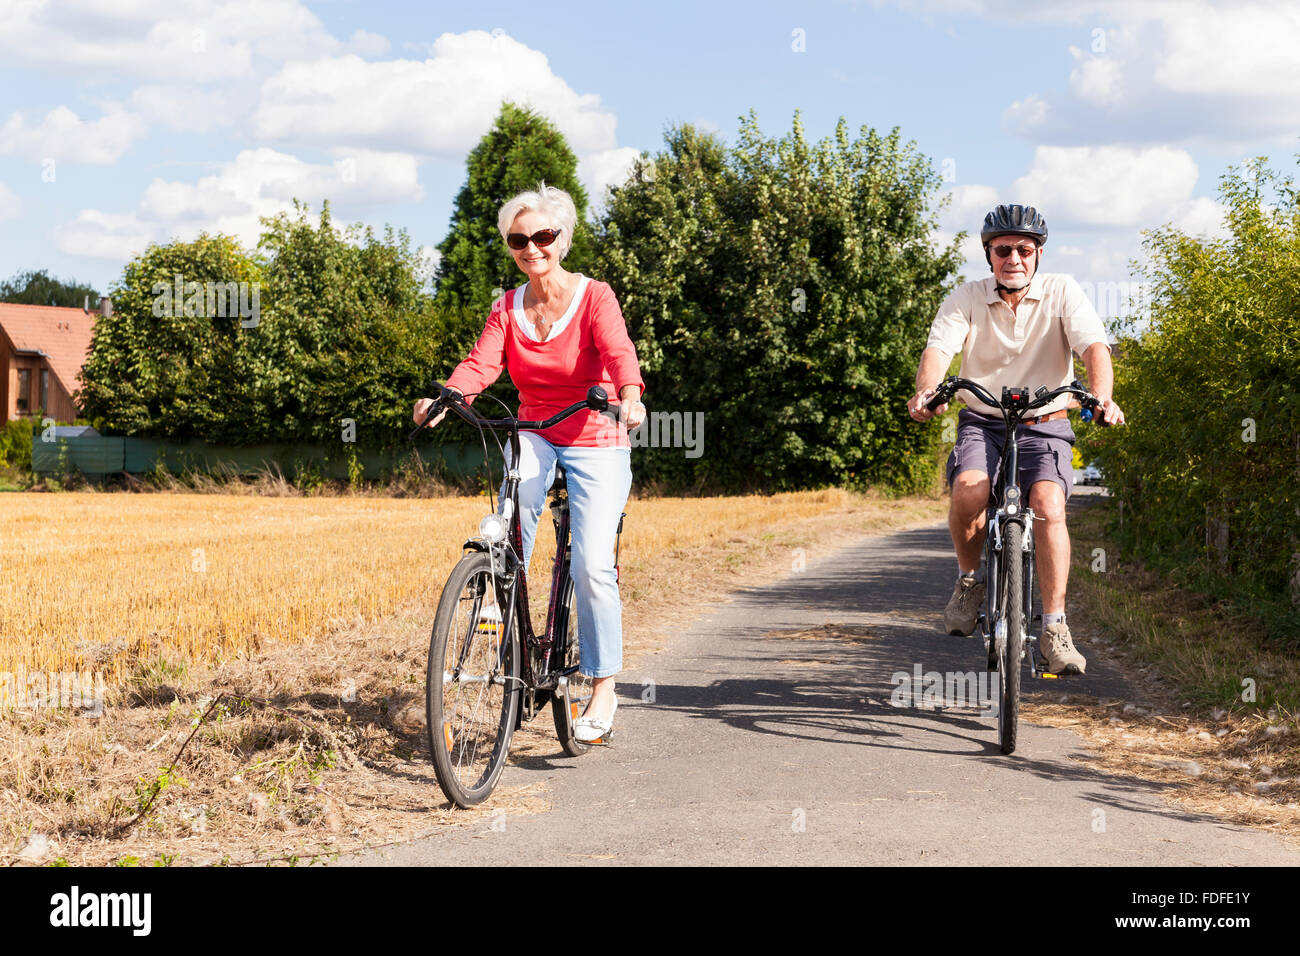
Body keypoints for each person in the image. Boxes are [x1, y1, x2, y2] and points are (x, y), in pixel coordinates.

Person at [413, 183, 645, 741]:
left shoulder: (595, 296)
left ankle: (602, 688)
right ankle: (511, 634)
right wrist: (448, 397)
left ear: (562, 239)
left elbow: (618, 352)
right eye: (519, 239)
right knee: (505, 534)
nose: (532, 247)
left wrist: (630, 395)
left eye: (543, 235)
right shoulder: (507, 306)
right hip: (534, 428)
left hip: (597, 429)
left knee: (590, 562)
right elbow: (481, 363)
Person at [907, 204, 1125, 675]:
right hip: (983, 421)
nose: (1014, 258)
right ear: (989, 254)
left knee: (1048, 503)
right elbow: (939, 349)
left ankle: (1054, 627)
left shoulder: (1063, 292)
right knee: (970, 489)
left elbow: (1093, 349)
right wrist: (927, 392)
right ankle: (970, 582)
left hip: (1043, 423)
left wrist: (1101, 399)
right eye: (1003, 249)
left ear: (1038, 254)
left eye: (1024, 250)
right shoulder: (966, 297)